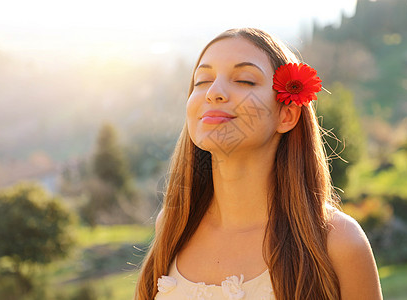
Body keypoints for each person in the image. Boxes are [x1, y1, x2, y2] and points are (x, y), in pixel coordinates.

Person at [134, 28, 383, 300]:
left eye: (244, 80)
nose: (214, 92)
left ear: (286, 115)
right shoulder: (173, 226)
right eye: (202, 80)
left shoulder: (338, 242)